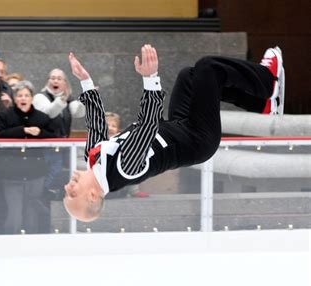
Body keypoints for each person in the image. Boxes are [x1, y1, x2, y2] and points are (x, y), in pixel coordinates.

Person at [64, 44, 285, 222]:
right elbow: (148, 126)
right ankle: (267, 81)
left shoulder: (95, 160)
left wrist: (85, 81)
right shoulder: (124, 168)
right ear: (92, 195)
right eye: (72, 193)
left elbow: (96, 124)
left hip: (179, 127)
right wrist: (150, 79)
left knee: (189, 76)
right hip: (198, 139)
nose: (67, 186)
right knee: (207, 67)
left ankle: (261, 104)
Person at [0, 80, 58, 234]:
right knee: (14, 212)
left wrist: (40, 133)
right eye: (20, 95)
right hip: (11, 173)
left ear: (31, 98)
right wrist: (23, 130)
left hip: (35, 173)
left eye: (26, 95)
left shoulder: (42, 117)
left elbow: (54, 134)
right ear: (15, 98)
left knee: (32, 211)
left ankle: (32, 241)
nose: (23, 98)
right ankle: (11, 239)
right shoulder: (5, 116)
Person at [104, 111, 149, 198]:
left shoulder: (120, 140)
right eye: (107, 125)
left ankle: (134, 191)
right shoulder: (96, 139)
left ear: (118, 129)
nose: (110, 128)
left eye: (114, 126)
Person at [33, 68, 85, 138]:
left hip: (63, 143)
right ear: (47, 82)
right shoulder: (39, 97)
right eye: (53, 78)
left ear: (65, 83)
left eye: (59, 79)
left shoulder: (68, 99)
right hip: (45, 143)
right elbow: (49, 113)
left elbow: (78, 113)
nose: (55, 81)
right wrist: (62, 100)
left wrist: (84, 100)